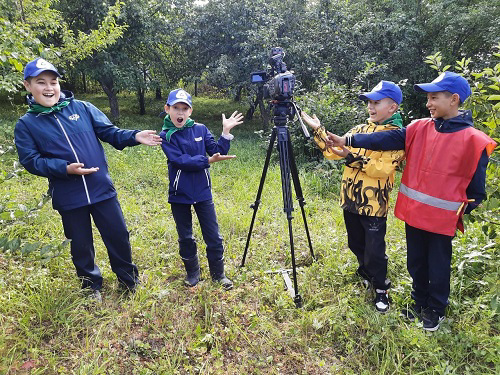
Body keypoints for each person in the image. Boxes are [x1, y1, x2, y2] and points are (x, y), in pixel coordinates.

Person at [324, 71, 497, 331]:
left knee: (437, 264)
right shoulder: (419, 127)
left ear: (454, 99)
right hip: (415, 212)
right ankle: (418, 301)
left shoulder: (474, 140)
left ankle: (435, 309)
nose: (428, 103)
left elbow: (476, 189)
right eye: (427, 97)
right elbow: (384, 138)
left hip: (441, 219)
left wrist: (460, 209)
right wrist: (348, 139)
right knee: (415, 261)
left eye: (434, 97)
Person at [15, 58, 162, 302]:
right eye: (41, 82)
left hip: (101, 188)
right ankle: (91, 287)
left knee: (118, 235)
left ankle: (129, 280)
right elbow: (31, 160)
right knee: (81, 245)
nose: (49, 87)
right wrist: (64, 169)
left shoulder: (82, 108)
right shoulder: (26, 125)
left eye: (53, 81)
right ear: (28, 86)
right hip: (69, 196)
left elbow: (109, 132)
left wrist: (134, 136)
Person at [301, 81, 405, 313]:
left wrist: (351, 157)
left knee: (375, 250)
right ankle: (365, 272)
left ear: (392, 107)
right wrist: (318, 131)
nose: (371, 106)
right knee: (355, 242)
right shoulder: (359, 130)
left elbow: (382, 169)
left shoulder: (396, 137)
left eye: (376, 102)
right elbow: (332, 152)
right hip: (350, 200)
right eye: (369, 102)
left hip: (374, 205)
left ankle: (381, 289)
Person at [159, 88, 243, 290]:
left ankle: (218, 274)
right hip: (180, 195)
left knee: (213, 235)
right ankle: (193, 272)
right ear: (167, 109)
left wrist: (225, 133)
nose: (180, 113)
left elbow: (217, 152)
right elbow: (180, 161)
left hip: (203, 193)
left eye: (184, 109)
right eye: (176, 108)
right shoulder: (165, 135)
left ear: (190, 111)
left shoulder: (201, 129)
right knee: (185, 236)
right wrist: (207, 160)